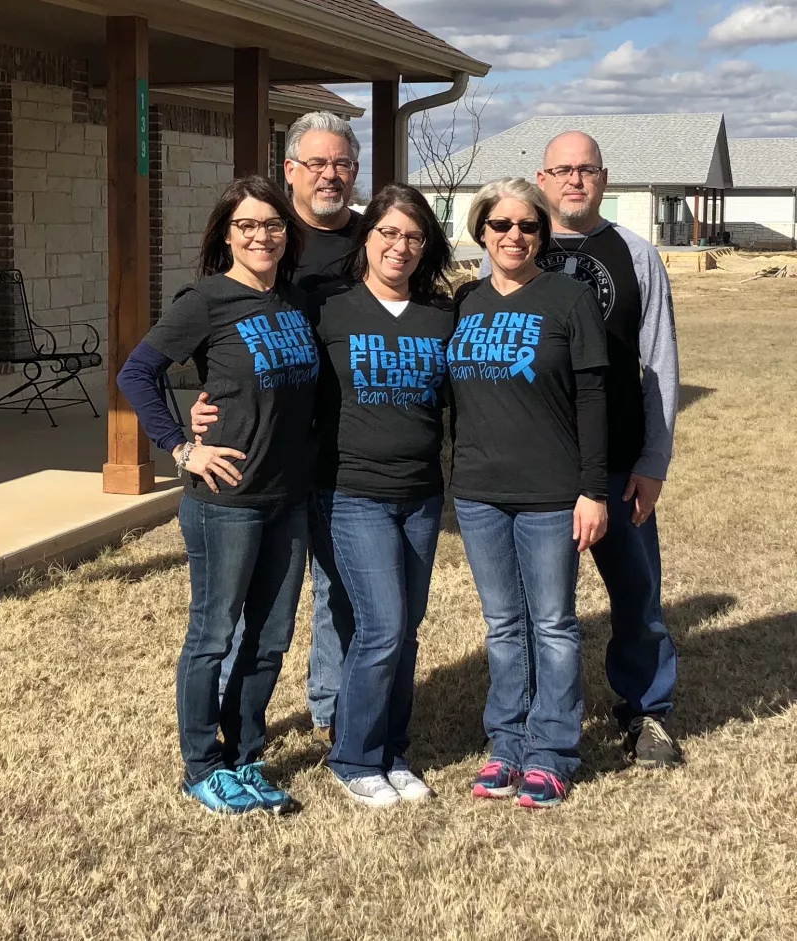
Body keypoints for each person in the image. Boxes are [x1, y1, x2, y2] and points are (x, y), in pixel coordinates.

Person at [117, 176, 319, 814]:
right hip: (224, 499)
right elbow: (136, 372)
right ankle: (203, 765)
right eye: (249, 226)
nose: (263, 237)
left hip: (289, 497)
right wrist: (181, 445)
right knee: (213, 634)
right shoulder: (206, 301)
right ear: (227, 235)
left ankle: (247, 755)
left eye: (274, 226)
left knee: (271, 635)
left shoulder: (295, 300)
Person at [481, 131, 681, 767]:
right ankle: (534, 718)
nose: (574, 181)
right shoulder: (509, 247)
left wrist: (653, 461)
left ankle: (648, 712)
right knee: (535, 610)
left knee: (636, 593)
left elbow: (659, 362)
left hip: (617, 462)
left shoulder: (635, 253)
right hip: (533, 468)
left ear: (604, 178)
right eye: (561, 170)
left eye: (586, 170)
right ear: (540, 178)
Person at [192, 112, 361, 748]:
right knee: (251, 612)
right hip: (269, 460)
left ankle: (332, 706)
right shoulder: (267, 241)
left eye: (341, 162)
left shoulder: (372, 240)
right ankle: (230, 734)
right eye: (316, 162)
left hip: (348, 451)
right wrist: (205, 413)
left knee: (338, 590)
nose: (330, 174)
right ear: (289, 169)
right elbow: (223, 336)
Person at [450, 178, 609, 808]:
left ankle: (551, 752)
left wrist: (592, 489)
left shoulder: (569, 300)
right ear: (481, 231)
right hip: (478, 491)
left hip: (551, 491)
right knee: (502, 626)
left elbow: (595, 399)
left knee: (553, 624)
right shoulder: (464, 302)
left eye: (528, 226)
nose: (514, 236)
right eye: (500, 225)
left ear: (543, 234)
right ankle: (506, 745)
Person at [313, 183, 455, 807]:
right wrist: (211, 413)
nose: (399, 247)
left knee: (410, 627)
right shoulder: (330, 310)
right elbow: (282, 378)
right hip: (354, 493)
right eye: (388, 233)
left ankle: (393, 751)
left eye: (413, 237)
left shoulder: (441, 316)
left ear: (426, 247)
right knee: (382, 626)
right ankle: (352, 756)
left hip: (422, 493)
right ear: (366, 239)